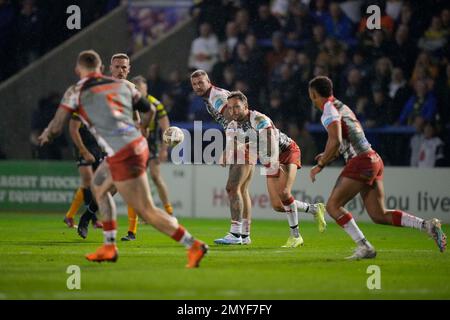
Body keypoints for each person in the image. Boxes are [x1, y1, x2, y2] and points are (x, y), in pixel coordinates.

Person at [38, 50, 208, 267]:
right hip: (130, 147)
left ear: (78, 70)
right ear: (101, 68)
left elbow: (56, 126)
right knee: (98, 188)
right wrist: (142, 129)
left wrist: (46, 134)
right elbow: (149, 111)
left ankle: (193, 244)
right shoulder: (124, 87)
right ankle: (109, 246)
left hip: (125, 152)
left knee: (146, 210)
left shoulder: (76, 91)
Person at [308, 76, 446, 259]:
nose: (311, 99)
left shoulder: (328, 111)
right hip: (373, 158)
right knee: (378, 214)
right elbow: (341, 140)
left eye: (311, 96)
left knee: (333, 206)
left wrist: (321, 164)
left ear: (314, 94)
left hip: (361, 161)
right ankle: (427, 226)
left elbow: (335, 140)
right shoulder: (341, 106)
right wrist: (328, 155)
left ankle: (364, 246)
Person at [225, 91, 326, 248]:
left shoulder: (259, 119)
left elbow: (271, 140)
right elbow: (233, 146)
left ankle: (296, 236)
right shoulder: (232, 126)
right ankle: (313, 209)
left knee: (284, 193)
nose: (233, 111)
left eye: (237, 107)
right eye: (230, 108)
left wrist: (273, 161)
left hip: (286, 151)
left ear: (246, 106)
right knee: (278, 205)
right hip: (269, 159)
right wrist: (226, 153)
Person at [190, 70, 254, 245]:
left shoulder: (216, 98)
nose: (197, 86)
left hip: (243, 140)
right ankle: (245, 235)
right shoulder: (212, 97)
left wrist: (229, 149)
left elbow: (234, 121)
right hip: (249, 140)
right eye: (194, 84)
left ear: (208, 81)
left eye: (200, 83)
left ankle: (235, 234)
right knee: (242, 190)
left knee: (232, 188)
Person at [121, 75, 174, 241]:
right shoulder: (127, 102)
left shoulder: (155, 104)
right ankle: (134, 227)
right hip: (132, 145)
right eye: (135, 89)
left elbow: (166, 127)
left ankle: (169, 212)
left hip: (150, 146)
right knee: (132, 183)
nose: (138, 92)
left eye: (140, 89)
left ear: (146, 89)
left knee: (156, 177)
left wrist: (164, 149)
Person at [65, 111, 105, 238]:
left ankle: (84, 216)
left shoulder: (104, 108)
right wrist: (84, 151)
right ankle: (90, 219)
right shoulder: (80, 110)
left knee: (104, 187)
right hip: (83, 148)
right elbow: (73, 130)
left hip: (98, 149)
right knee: (88, 181)